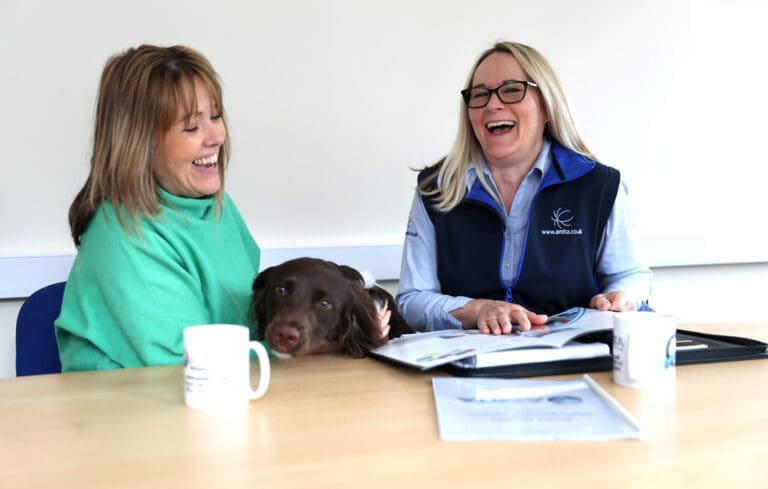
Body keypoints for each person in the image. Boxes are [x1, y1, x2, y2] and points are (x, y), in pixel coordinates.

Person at [396, 41, 652, 335]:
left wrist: (622, 296)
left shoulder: (599, 186)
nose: (492, 104)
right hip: (470, 356)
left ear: (547, 107)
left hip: (573, 353)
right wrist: (478, 310)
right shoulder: (436, 189)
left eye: (512, 90)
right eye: (480, 94)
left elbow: (631, 275)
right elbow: (412, 299)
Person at [55, 45, 261, 371]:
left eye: (216, 116)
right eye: (192, 127)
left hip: (227, 391)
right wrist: (300, 353)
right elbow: (190, 368)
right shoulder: (127, 236)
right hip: (145, 401)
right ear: (141, 143)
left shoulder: (214, 206)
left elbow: (255, 319)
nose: (217, 136)